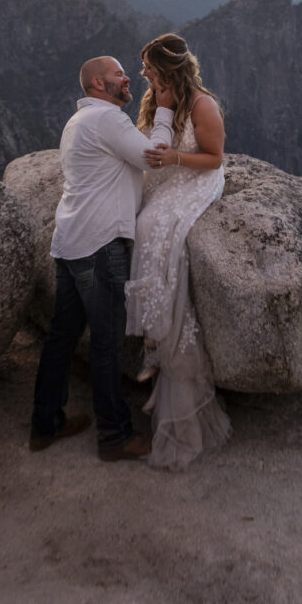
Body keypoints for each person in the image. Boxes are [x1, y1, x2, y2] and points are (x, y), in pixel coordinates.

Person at [30, 55, 176, 462]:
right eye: (118, 74)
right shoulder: (108, 120)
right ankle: (114, 435)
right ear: (97, 83)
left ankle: (45, 423)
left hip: (70, 241)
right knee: (107, 344)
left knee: (61, 338)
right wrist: (163, 107)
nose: (127, 78)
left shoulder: (78, 122)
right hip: (100, 244)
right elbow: (154, 156)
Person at [125, 33, 232, 470]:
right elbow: (146, 140)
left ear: (167, 70)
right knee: (136, 224)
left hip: (195, 177)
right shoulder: (157, 99)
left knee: (157, 228)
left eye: (148, 67)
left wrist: (174, 162)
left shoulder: (203, 105)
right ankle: (153, 334)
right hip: (166, 175)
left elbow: (215, 158)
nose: (143, 74)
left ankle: (159, 337)